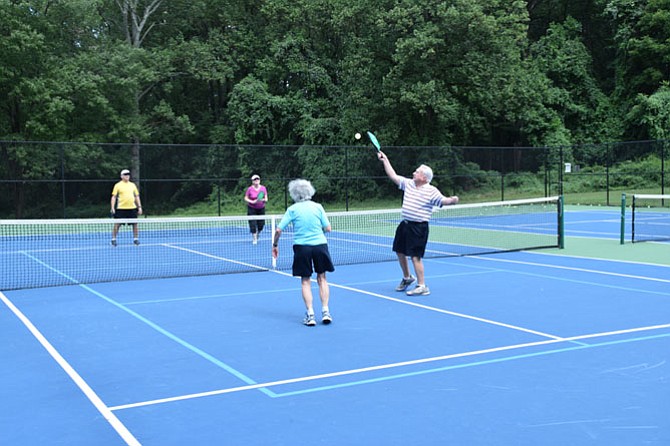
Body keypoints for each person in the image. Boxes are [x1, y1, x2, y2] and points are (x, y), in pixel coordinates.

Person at [377, 151, 459, 296]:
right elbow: (393, 176)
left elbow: (443, 201)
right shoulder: (408, 184)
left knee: (415, 257)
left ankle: (422, 285)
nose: (414, 173)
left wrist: (452, 200)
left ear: (424, 177)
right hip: (405, 225)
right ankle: (407, 278)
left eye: (417, 172)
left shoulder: (431, 191)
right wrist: (385, 160)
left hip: (418, 228)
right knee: (399, 251)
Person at [272, 179, 335, 326]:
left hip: (302, 248)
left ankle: (310, 314)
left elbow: (278, 230)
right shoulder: (318, 207)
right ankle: (326, 311)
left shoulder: (292, 210)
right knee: (322, 278)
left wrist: (275, 244)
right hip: (320, 245)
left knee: (305, 281)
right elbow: (328, 228)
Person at [110, 169, 143, 246]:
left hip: (132, 208)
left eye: (128, 174)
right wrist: (112, 207)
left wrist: (139, 207)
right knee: (117, 224)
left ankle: (135, 239)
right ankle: (113, 239)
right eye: (125, 174)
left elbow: (136, 196)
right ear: (121, 176)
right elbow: (114, 197)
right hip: (121, 208)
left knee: (135, 224)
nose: (127, 176)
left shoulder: (132, 185)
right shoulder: (117, 185)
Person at [244, 174, 268, 244]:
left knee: (261, 224)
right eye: (255, 179)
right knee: (252, 223)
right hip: (252, 208)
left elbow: (266, 198)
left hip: (261, 208)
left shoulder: (263, 188)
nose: (256, 180)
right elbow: (245, 198)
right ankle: (254, 238)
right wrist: (252, 201)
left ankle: (258, 233)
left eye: (257, 179)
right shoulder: (250, 189)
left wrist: (263, 200)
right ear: (252, 181)